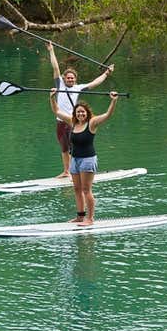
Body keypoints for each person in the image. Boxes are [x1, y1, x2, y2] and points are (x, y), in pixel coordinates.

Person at [50, 88, 119, 226]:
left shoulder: (92, 123)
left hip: (88, 160)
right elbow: (56, 111)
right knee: (76, 189)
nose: (80, 114)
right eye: (78, 112)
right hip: (74, 160)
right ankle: (80, 216)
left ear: (86, 113)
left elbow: (107, 115)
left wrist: (113, 101)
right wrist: (52, 97)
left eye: (83, 112)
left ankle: (90, 218)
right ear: (75, 114)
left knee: (86, 190)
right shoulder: (72, 122)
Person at [48, 42, 114, 178]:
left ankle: (74, 171)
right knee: (64, 148)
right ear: (64, 79)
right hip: (60, 121)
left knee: (74, 148)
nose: (70, 80)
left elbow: (95, 83)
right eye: (68, 78)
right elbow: (55, 68)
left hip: (73, 122)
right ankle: (66, 172)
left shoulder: (78, 88)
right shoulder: (59, 84)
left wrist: (106, 73)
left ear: (75, 80)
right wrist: (51, 50)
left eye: (72, 78)